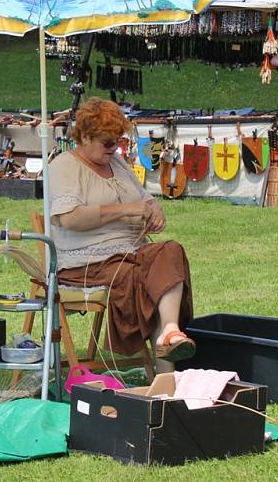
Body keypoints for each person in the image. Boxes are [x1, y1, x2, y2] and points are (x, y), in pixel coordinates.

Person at [49, 97, 195, 373]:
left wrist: (154, 211)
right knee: (147, 282)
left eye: (118, 141)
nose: (114, 148)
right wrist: (126, 210)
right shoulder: (65, 166)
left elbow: (145, 199)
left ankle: (171, 332)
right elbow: (70, 218)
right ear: (86, 136)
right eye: (107, 142)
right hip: (88, 263)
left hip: (130, 253)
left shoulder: (116, 163)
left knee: (171, 250)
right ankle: (166, 376)